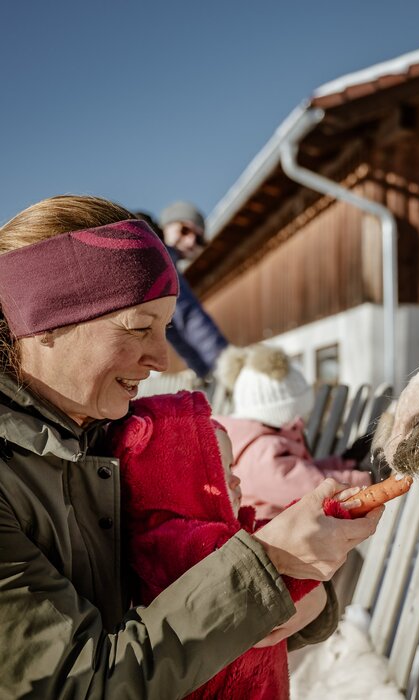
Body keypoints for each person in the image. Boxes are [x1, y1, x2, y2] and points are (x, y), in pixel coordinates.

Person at [0, 195, 380, 697]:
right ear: (45, 323)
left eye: (165, 329)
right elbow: (79, 683)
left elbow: (190, 582)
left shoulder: (118, 437)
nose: (161, 358)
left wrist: (305, 596)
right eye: (140, 327)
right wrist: (268, 567)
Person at [110, 390, 354, 699]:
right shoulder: (181, 545)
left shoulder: (226, 529)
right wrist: (326, 518)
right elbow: (259, 573)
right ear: (181, 482)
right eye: (220, 470)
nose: (237, 481)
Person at [215, 344, 372, 521]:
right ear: (276, 414)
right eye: (295, 414)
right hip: (273, 535)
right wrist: (366, 476)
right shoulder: (261, 453)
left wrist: (346, 461)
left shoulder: (264, 439)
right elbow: (313, 489)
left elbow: (304, 471)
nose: (299, 420)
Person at [154, 201, 229, 379]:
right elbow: (189, 316)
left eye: (199, 239)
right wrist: (227, 363)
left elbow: (176, 332)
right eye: (185, 230)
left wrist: (206, 373)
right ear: (166, 226)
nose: (190, 241)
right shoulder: (161, 259)